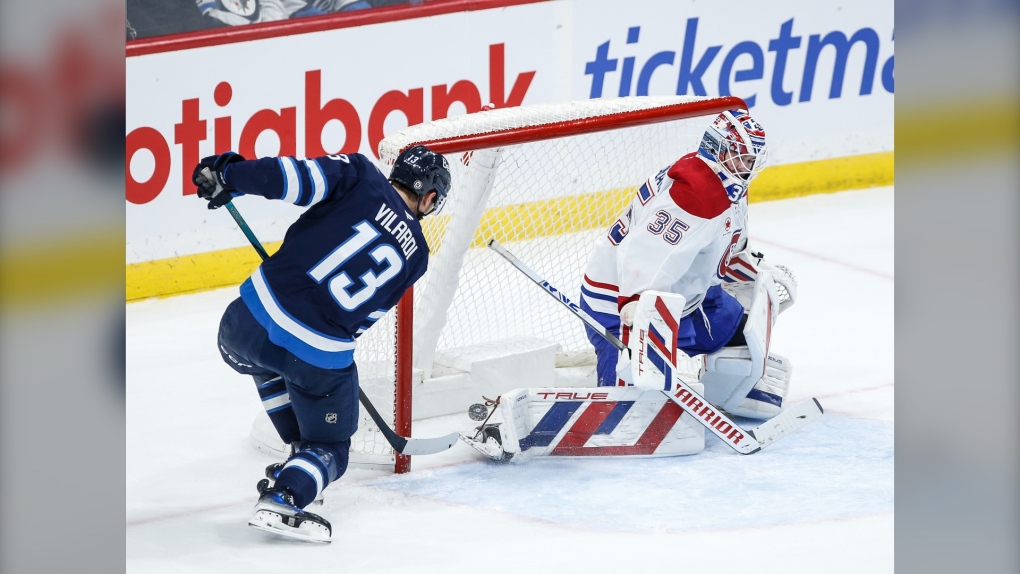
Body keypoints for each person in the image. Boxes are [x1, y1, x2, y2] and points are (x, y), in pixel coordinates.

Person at [192, 145, 451, 543]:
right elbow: (361, 320)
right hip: (315, 357)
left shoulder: (361, 174)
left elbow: (289, 178)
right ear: (430, 198)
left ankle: (297, 453)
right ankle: (289, 489)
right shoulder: (418, 257)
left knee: (267, 361)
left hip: (240, 330)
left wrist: (229, 176)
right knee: (331, 446)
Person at [578, 109, 798, 419]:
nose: (748, 168)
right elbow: (646, 252)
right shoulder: (695, 195)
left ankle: (728, 385)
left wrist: (755, 272)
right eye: (742, 158)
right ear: (717, 149)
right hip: (621, 302)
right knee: (626, 404)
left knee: (738, 327)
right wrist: (637, 302)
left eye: (752, 160)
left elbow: (721, 248)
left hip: (688, 298)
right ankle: (611, 407)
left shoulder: (726, 183)